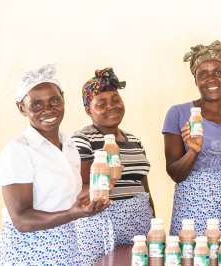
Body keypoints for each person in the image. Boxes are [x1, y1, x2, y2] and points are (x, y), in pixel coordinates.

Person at [0, 64, 107, 265]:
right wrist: (72, 213)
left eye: (54, 100)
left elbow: (63, 196)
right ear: (22, 108)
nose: (48, 109)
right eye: (36, 104)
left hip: (67, 244)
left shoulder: (68, 145)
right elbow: (21, 219)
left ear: (63, 99)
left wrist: (96, 194)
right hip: (30, 250)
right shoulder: (18, 151)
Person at [163, 40, 221, 235]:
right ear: (195, 80)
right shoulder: (178, 113)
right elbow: (175, 174)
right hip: (192, 208)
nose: (211, 79)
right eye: (203, 74)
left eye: (218, 72)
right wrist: (193, 151)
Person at [72, 68, 154, 264]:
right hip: (101, 227)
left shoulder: (134, 140)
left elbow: (144, 186)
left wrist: (153, 223)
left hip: (140, 226)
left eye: (115, 99)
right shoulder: (83, 139)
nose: (111, 106)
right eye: (101, 103)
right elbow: (80, 189)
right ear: (88, 110)